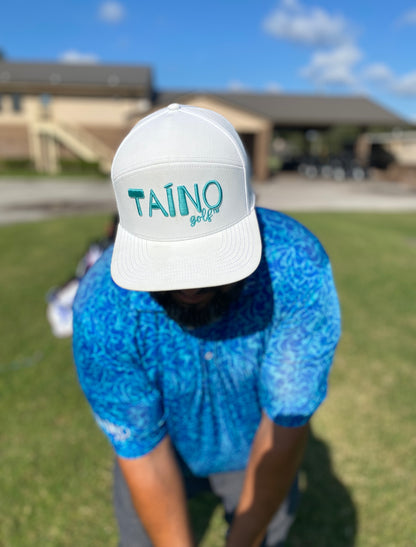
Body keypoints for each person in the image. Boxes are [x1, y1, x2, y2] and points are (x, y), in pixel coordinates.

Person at [72, 104, 341, 547]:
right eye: (168, 267)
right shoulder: (102, 308)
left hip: (254, 447)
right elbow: (144, 453)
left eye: (211, 263)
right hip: (157, 451)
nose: (189, 286)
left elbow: (284, 423)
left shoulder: (297, 270)